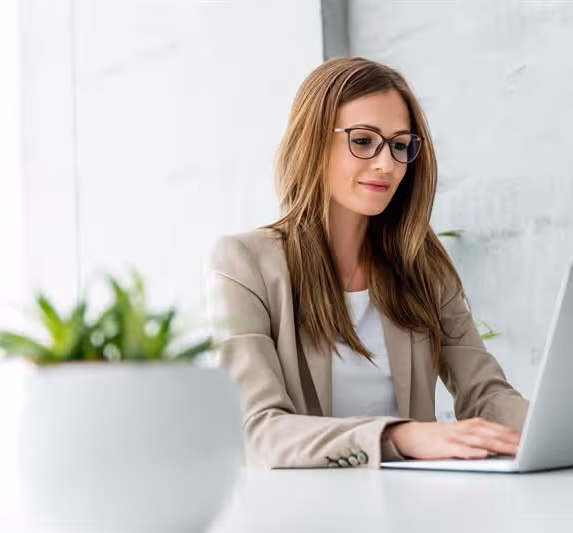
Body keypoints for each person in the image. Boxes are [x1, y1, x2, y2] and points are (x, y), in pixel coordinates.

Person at [205, 57, 528, 469]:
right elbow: (258, 431)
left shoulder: (420, 262)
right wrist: (398, 435)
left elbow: (486, 394)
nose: (387, 164)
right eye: (362, 140)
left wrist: (556, 427)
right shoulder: (243, 264)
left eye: (399, 144)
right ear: (313, 141)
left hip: (409, 504)